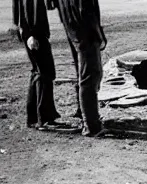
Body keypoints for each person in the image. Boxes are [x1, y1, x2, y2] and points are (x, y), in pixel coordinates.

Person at [12, 0, 72, 131]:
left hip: (30, 33)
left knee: (38, 72)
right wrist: (31, 34)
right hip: (35, 34)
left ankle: (34, 118)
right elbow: (28, 8)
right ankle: (44, 119)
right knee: (45, 73)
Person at [54, 0, 107, 136]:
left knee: (84, 75)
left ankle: (87, 118)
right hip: (86, 33)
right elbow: (87, 10)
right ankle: (91, 125)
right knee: (90, 77)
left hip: (73, 30)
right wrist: (99, 35)